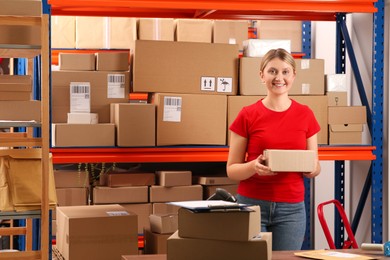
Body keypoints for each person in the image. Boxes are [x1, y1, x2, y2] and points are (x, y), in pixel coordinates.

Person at [226, 48, 321, 251]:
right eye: (272, 71)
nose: (279, 78)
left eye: (285, 72)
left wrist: (310, 169)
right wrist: (253, 166)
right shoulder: (247, 115)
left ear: (293, 75)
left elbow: (315, 166)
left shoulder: (306, 115)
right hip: (251, 205)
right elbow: (231, 169)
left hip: (291, 209)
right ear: (262, 75)